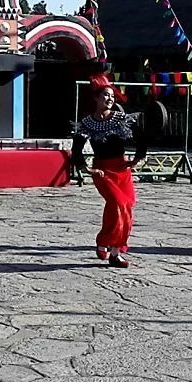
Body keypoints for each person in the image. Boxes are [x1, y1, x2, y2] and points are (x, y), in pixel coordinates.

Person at [71, 74, 147, 268]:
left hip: (121, 169)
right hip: (102, 171)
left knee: (126, 207)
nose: (110, 99)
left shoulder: (121, 119)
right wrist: (87, 169)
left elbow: (141, 139)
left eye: (112, 96)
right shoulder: (87, 122)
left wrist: (137, 159)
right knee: (117, 203)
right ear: (96, 98)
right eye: (106, 95)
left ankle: (115, 252)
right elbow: (76, 149)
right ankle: (103, 240)